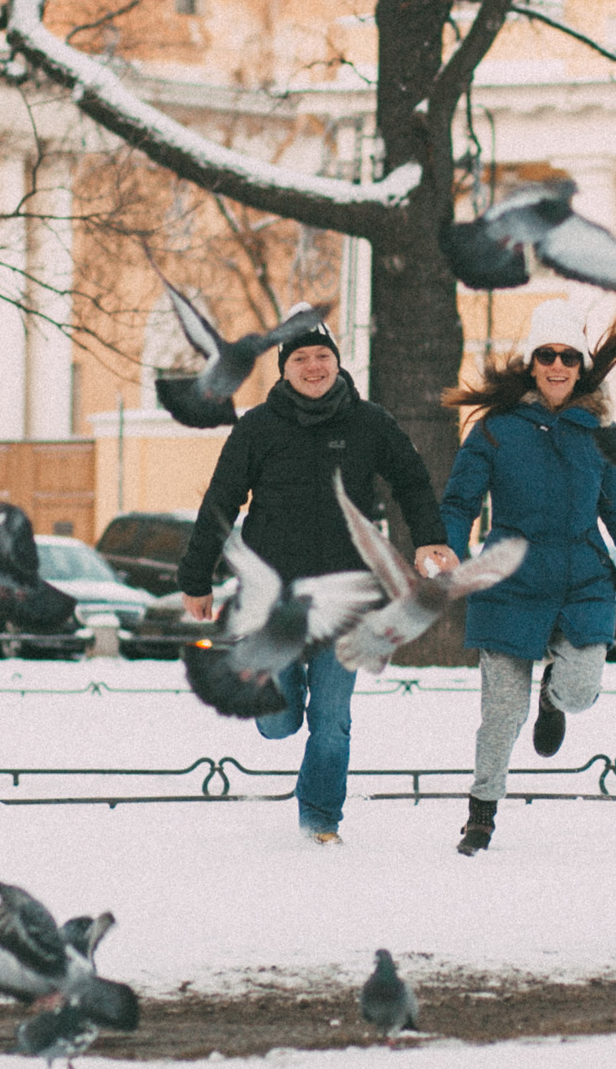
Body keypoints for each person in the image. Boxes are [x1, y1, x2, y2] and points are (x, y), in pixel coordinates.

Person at [420, 298, 616, 856]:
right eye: (547, 355)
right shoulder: (496, 431)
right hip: (509, 582)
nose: (558, 365)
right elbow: (462, 498)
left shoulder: (599, 437)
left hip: (580, 582)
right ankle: (481, 815)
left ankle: (555, 700)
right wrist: (446, 547)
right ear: (532, 362)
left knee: (583, 690)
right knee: (500, 716)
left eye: (568, 356)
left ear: (581, 365)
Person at [176, 310, 437, 845]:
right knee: (279, 722)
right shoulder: (257, 429)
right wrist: (196, 576)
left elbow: (411, 481)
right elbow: (221, 501)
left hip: (346, 600)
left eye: (323, 356)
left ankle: (320, 819)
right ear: (284, 369)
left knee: (333, 717)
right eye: (301, 359)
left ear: (337, 362)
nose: (314, 367)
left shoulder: (370, 424)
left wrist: (431, 537)